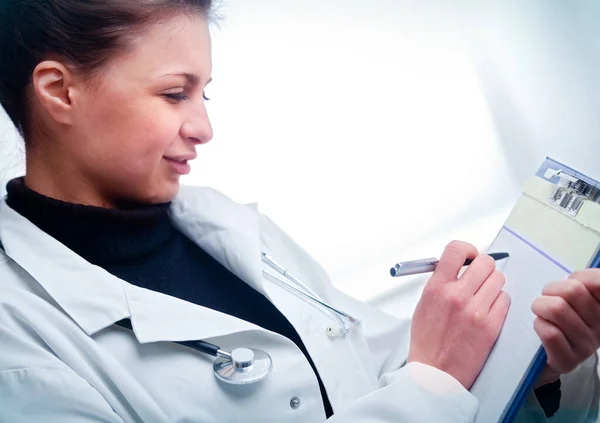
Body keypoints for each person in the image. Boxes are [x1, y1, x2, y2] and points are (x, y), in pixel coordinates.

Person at [0, 1, 599, 422]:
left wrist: (534, 364)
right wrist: (432, 385)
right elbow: (423, 382)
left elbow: (374, 367)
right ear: (59, 91)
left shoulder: (231, 227)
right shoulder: (18, 341)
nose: (204, 127)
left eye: (203, 93)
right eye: (174, 92)